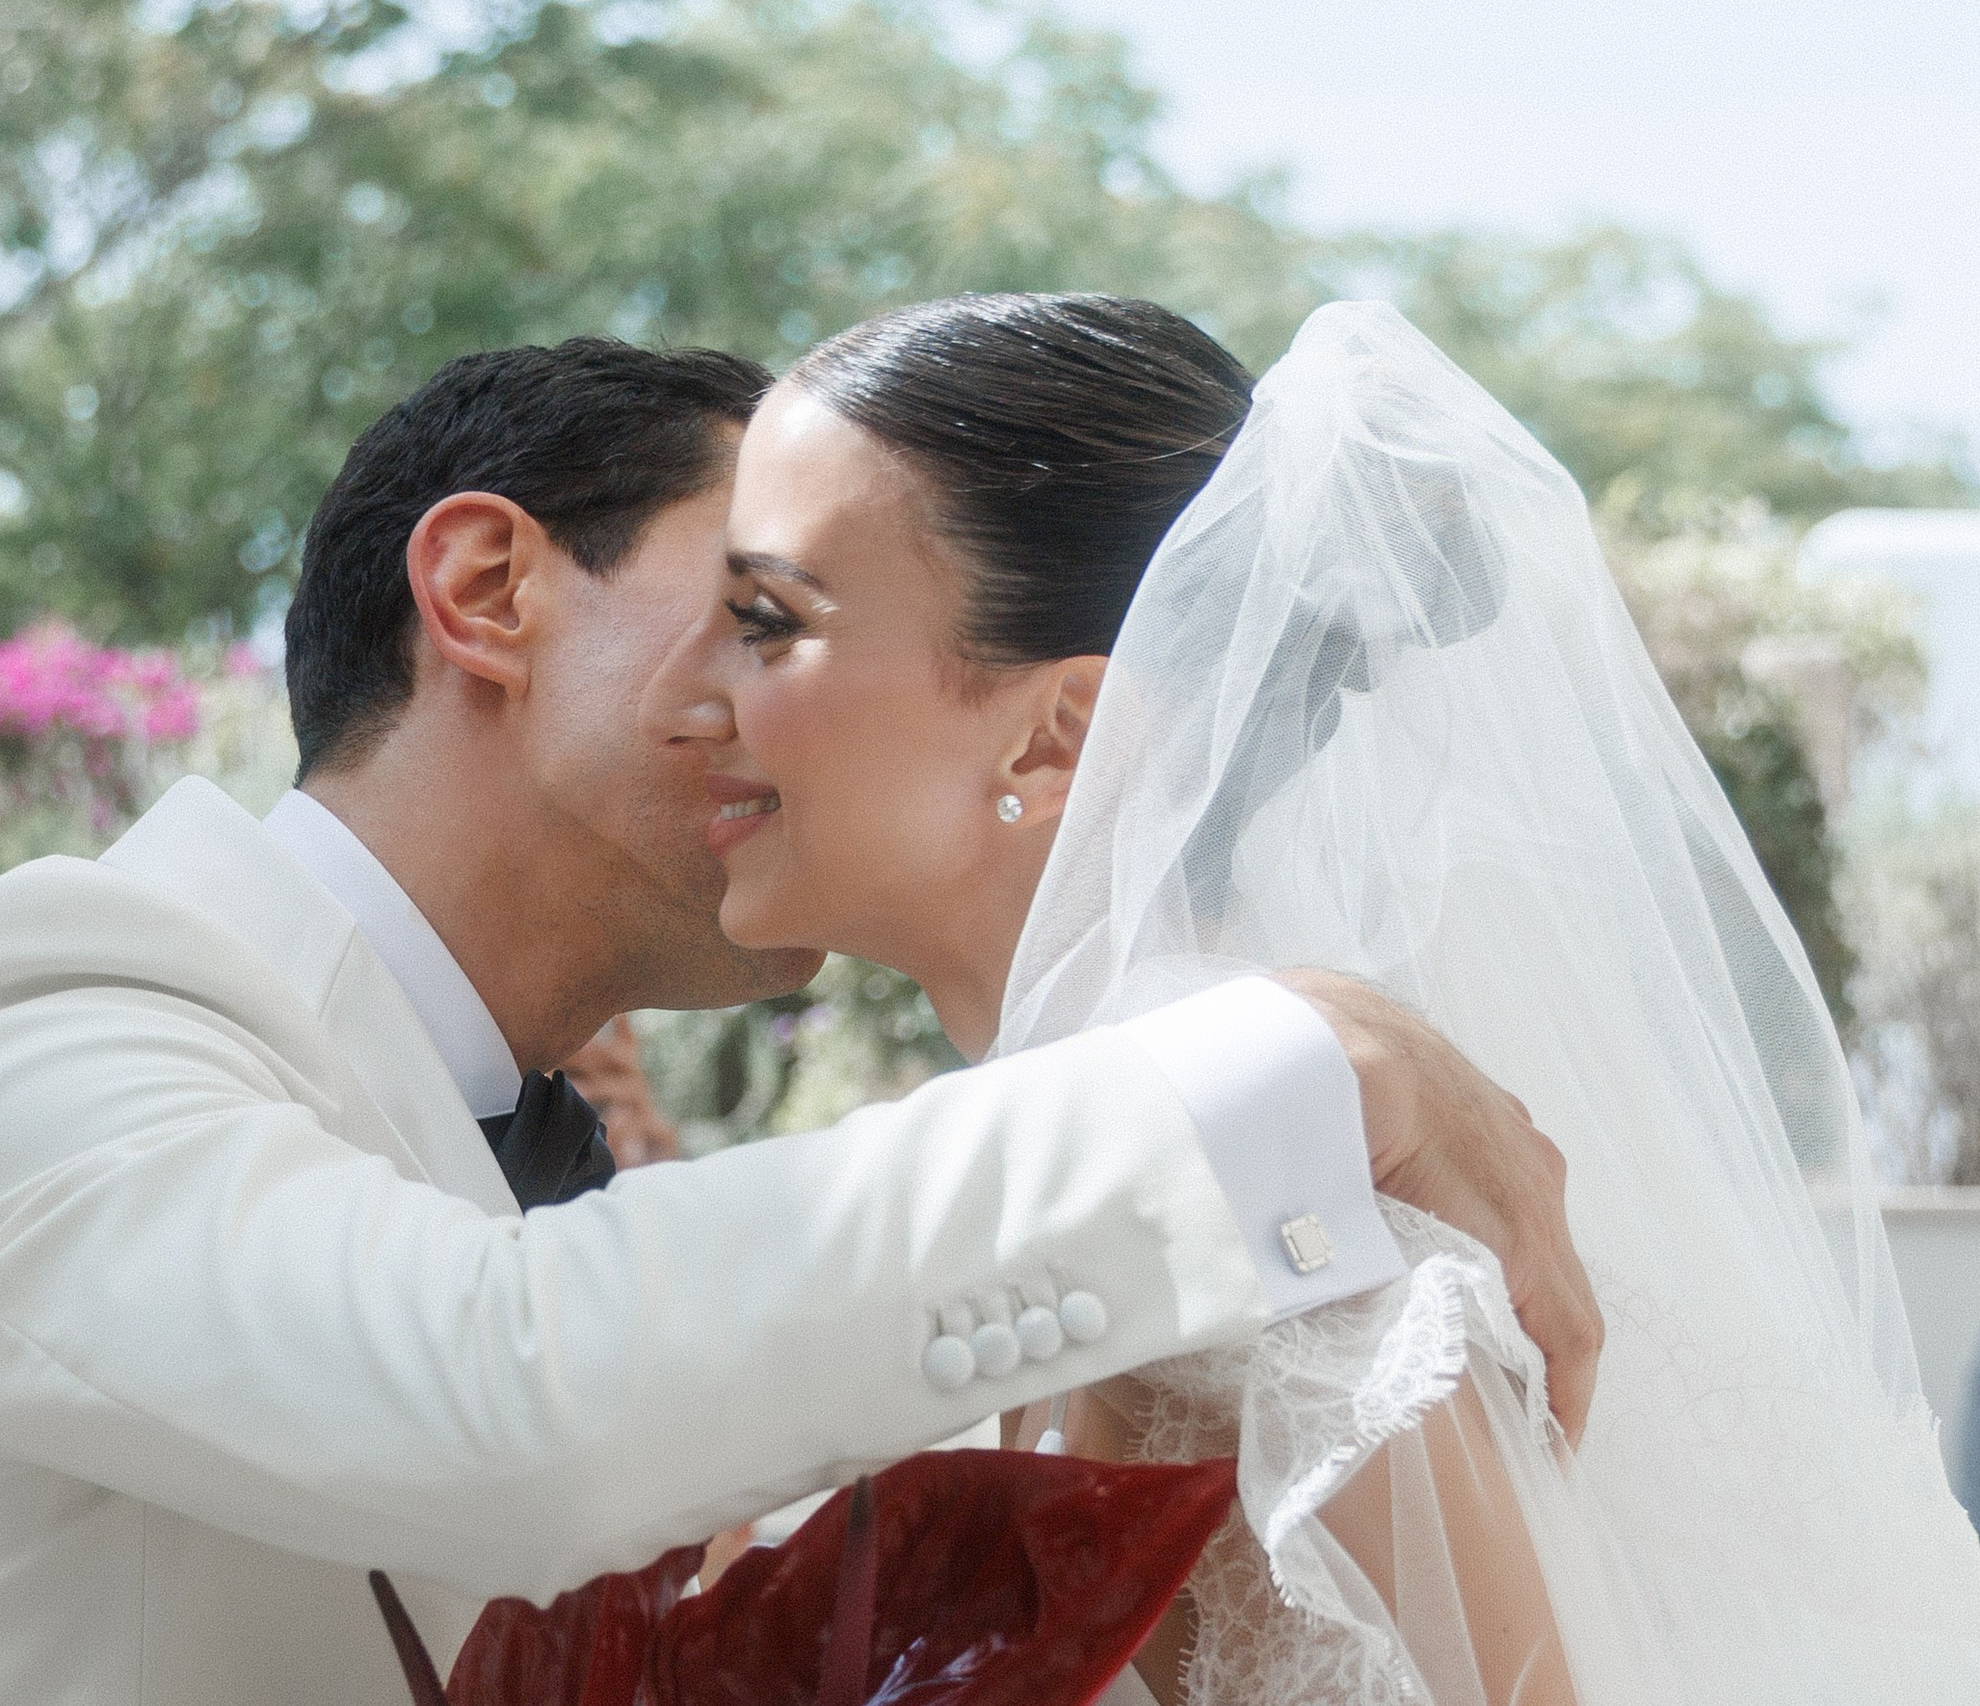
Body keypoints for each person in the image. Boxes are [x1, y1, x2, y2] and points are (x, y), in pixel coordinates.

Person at [0, 339, 1593, 1705]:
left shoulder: (471, 1145)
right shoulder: (46, 995)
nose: (764, 699)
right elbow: (496, 1399)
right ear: (487, 589)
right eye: (739, 607)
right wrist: (1264, 1078)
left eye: (791, 622)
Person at [641, 293, 1980, 1703]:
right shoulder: (1107, 1163)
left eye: (764, 620)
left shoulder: (1251, 1247)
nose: (687, 692)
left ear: (1056, 733)